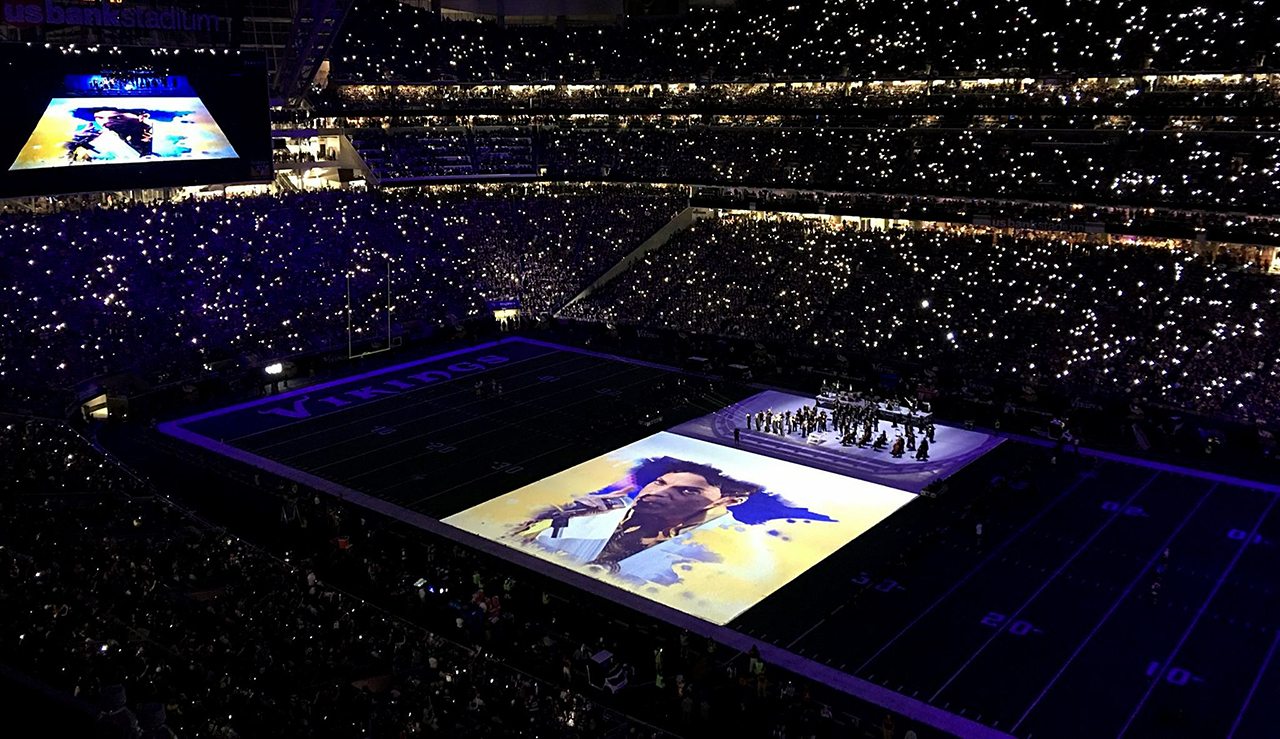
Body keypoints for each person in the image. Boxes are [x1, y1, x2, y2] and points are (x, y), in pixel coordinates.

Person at [511, 457, 763, 583]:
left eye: (687, 491)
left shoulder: (721, 550)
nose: (657, 492)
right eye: (660, 482)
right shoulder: (594, 513)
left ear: (728, 501)